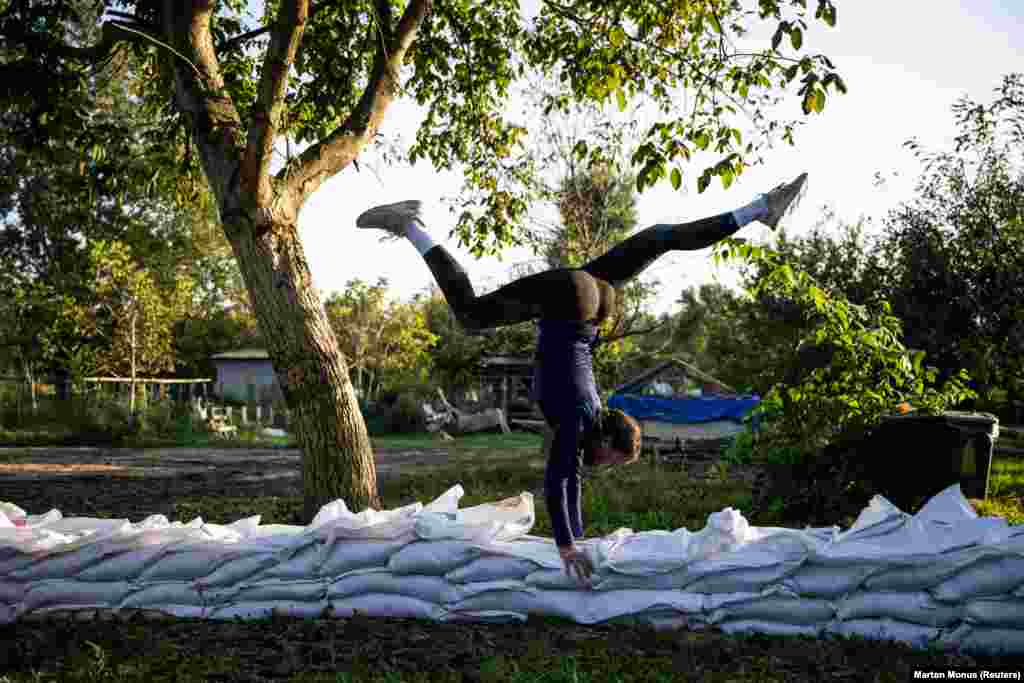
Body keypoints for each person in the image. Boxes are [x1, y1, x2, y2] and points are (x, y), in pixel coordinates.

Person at [355, 172, 807, 584]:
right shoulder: (576, 419)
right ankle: (410, 224)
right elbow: (561, 481)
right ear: (606, 442)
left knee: (662, 238)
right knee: (470, 314)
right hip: (572, 299)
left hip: (596, 304)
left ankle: (759, 208)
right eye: (611, 460)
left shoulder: (592, 406)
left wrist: (578, 537)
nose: (603, 467)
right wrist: (568, 546)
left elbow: (571, 476)